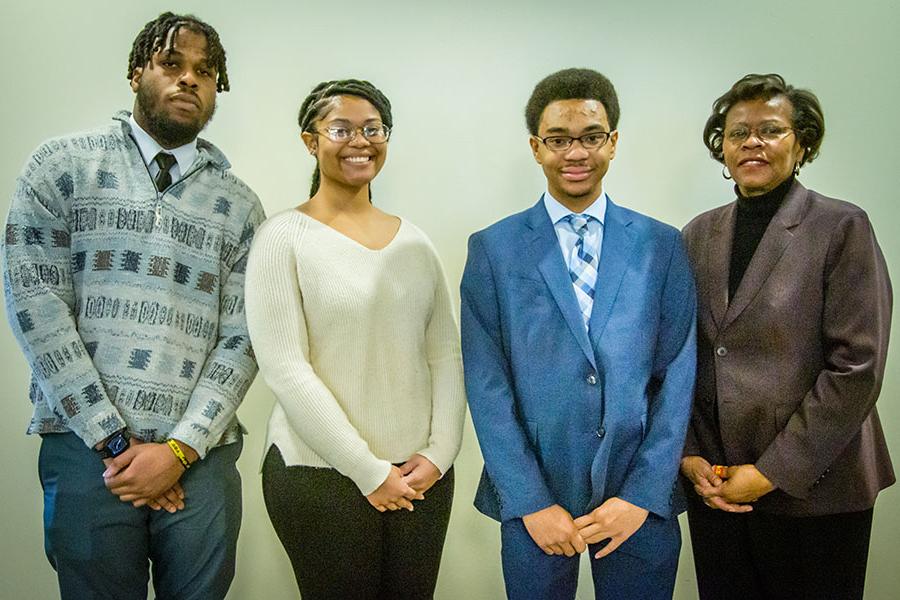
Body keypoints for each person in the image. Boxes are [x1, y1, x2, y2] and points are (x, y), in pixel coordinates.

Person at [1, 12, 263, 600]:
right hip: (84, 450)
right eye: (172, 63)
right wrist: (118, 446)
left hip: (202, 457)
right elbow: (37, 308)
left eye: (205, 71)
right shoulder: (61, 168)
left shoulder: (241, 206)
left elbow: (244, 336)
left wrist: (179, 449)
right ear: (136, 70)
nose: (189, 79)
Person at [460, 67, 696, 600]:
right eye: (558, 139)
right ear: (535, 147)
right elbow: (487, 384)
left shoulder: (662, 245)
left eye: (591, 137)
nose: (576, 152)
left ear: (612, 142)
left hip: (638, 489)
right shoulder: (493, 250)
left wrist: (642, 493)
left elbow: (677, 373)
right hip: (535, 494)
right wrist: (528, 500)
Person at [244, 79, 466, 600]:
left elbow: (445, 353)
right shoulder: (282, 237)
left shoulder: (415, 240)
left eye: (373, 129)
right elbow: (286, 368)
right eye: (341, 129)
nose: (360, 141)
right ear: (310, 140)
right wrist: (367, 470)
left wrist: (440, 453)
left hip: (420, 479)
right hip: (320, 477)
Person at [680, 73, 894, 600]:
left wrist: (773, 471)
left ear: (801, 145)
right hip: (720, 485)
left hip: (816, 488)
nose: (751, 142)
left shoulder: (841, 227)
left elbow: (856, 368)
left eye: (770, 130)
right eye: (737, 133)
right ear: (722, 148)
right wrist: (690, 455)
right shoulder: (696, 234)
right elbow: (676, 355)